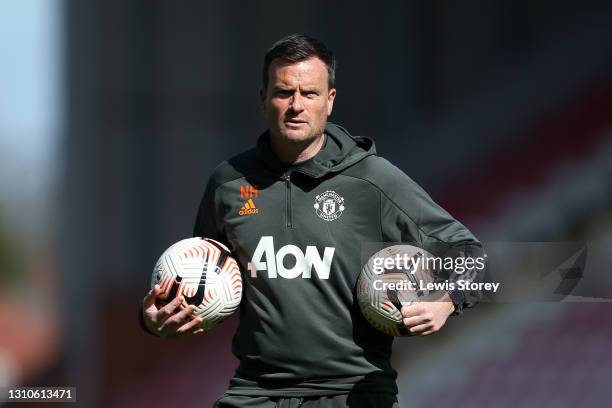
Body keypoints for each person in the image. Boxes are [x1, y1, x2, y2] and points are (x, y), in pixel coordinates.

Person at [141, 34, 483, 407]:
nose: (296, 106)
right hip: (257, 392)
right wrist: (154, 320)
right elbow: (202, 282)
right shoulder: (228, 184)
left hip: (354, 393)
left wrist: (448, 300)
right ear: (263, 98)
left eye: (310, 93)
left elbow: (470, 254)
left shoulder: (372, 180)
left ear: (330, 101)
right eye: (284, 92)